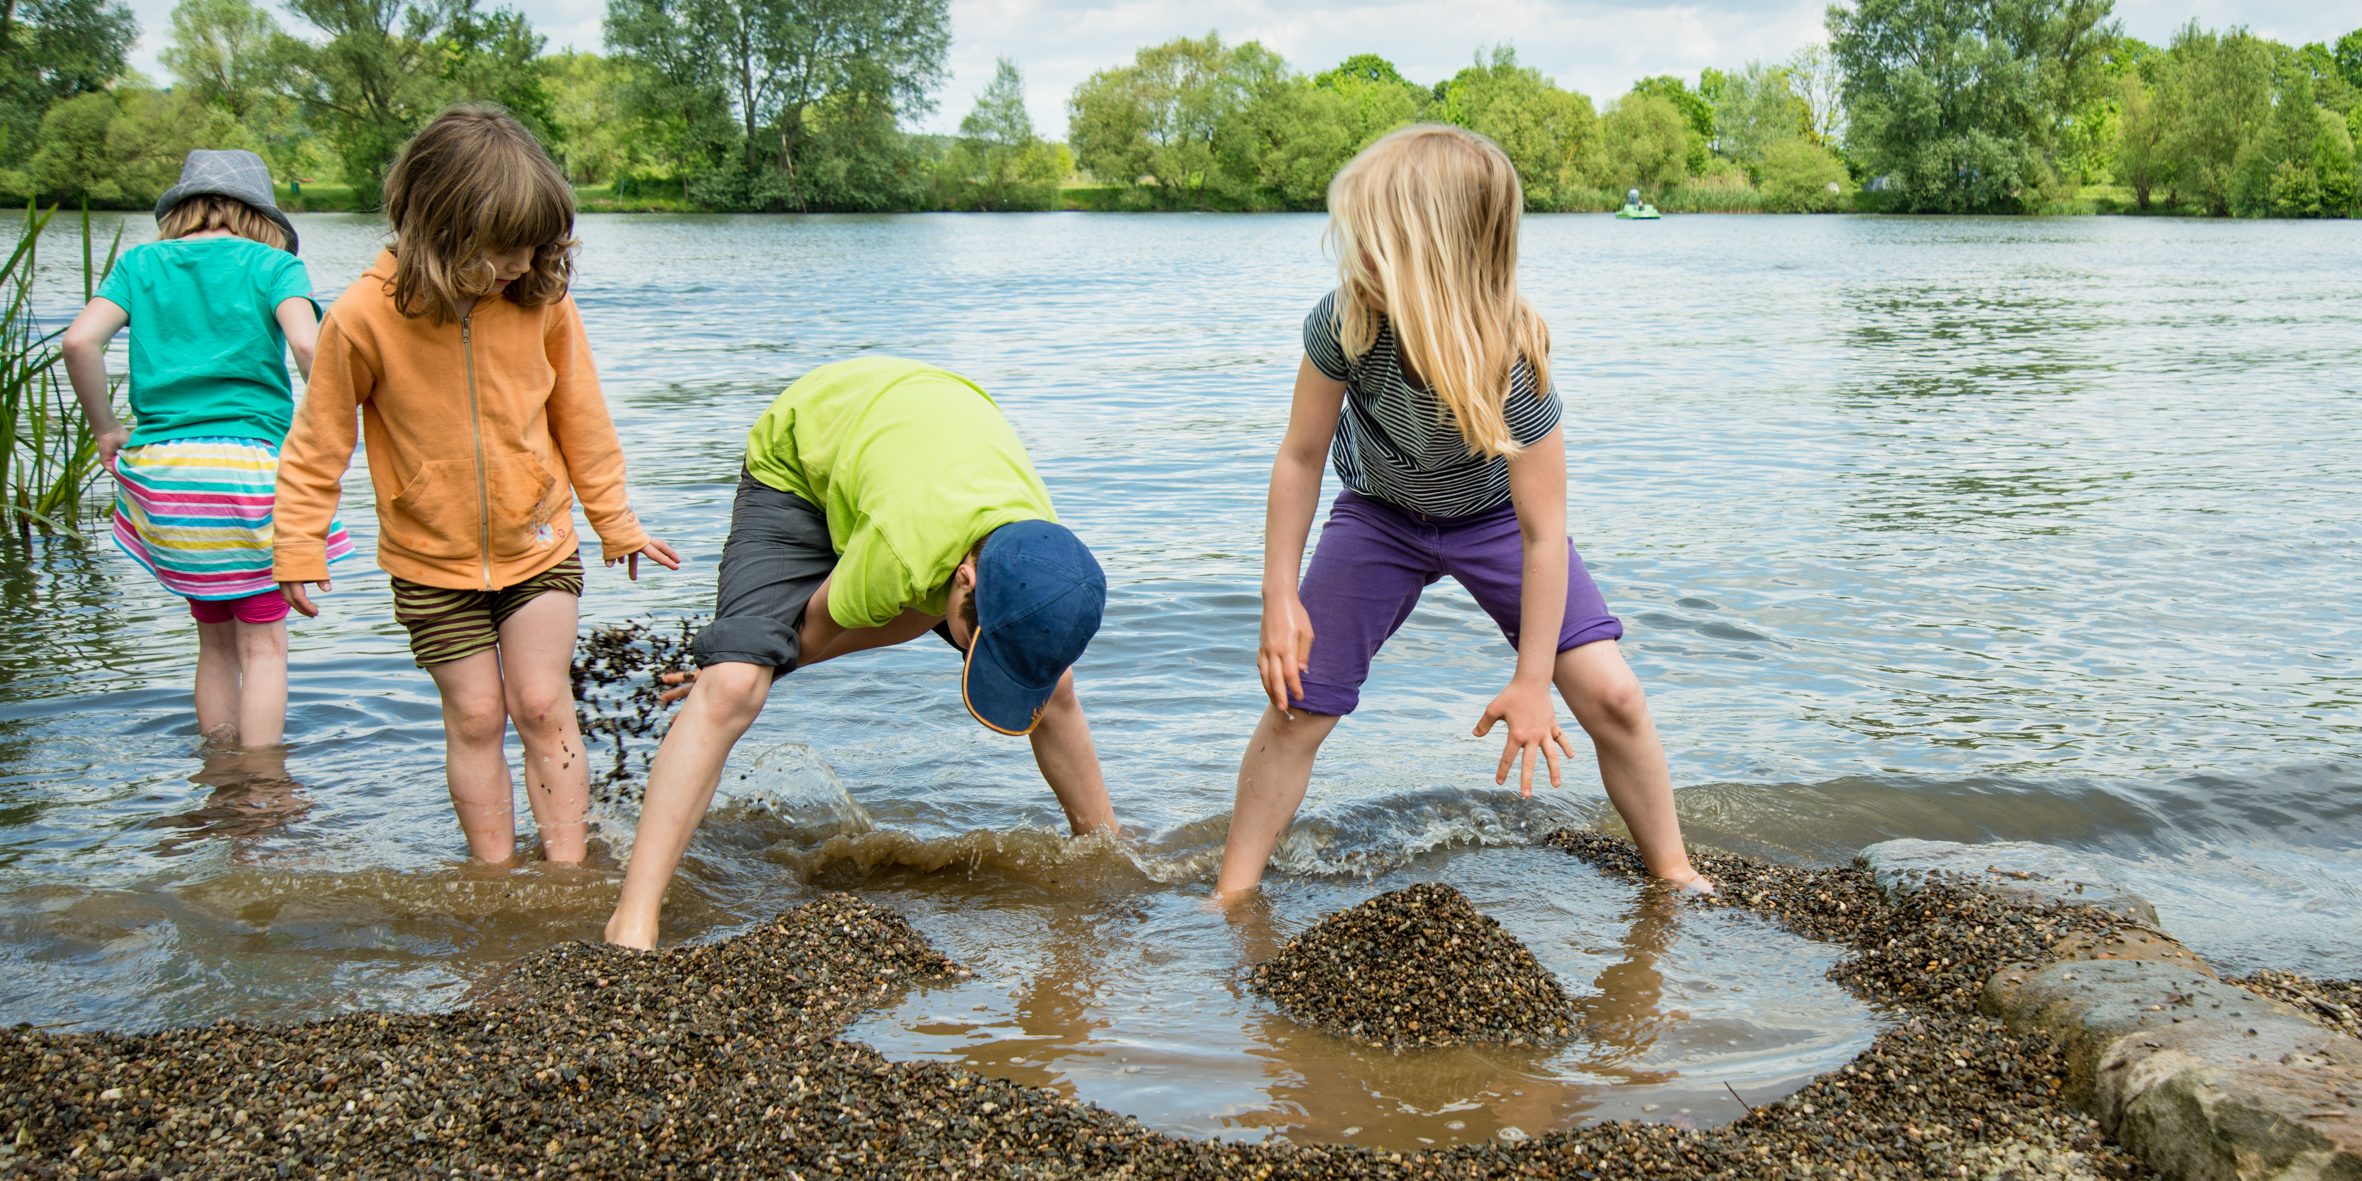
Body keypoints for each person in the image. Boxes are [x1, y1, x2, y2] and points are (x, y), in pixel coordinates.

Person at [1215, 124, 1713, 902]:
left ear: (1432, 254)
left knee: (1613, 695)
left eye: (1370, 244)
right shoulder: (1346, 319)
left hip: (1495, 525)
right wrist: (1279, 597)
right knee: (1297, 704)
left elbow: (1543, 533)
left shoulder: (1513, 351)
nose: (1353, 261)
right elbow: (1301, 457)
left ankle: (1676, 872)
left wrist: (1532, 679)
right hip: (1378, 514)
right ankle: (1233, 892)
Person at [272, 106, 678, 865]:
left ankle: (566, 868)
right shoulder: (363, 316)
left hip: (539, 540)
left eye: (536, 244)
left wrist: (613, 519)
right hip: (431, 561)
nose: (524, 262)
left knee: (539, 701)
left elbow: (582, 419)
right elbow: (318, 441)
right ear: (445, 228)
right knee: (476, 714)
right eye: (506, 247)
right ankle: (494, 875)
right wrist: (298, 542)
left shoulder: (542, 303)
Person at [603, 356, 1112, 950]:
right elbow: (814, 633)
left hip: (916, 431)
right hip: (802, 454)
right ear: (965, 581)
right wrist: (738, 661)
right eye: (981, 647)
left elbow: (923, 620)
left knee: (1057, 689)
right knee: (738, 685)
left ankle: (1105, 847)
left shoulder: (1041, 553)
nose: (981, 662)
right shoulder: (901, 553)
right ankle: (632, 922)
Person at [61, 149, 355, 750]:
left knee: (215, 642)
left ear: (183, 210)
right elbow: (307, 347)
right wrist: (335, 430)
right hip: (250, 472)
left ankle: (219, 774)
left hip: (167, 474)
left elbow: (78, 342)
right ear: (262, 216)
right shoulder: (273, 265)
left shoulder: (139, 264)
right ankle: (263, 786)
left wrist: (106, 429)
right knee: (266, 646)